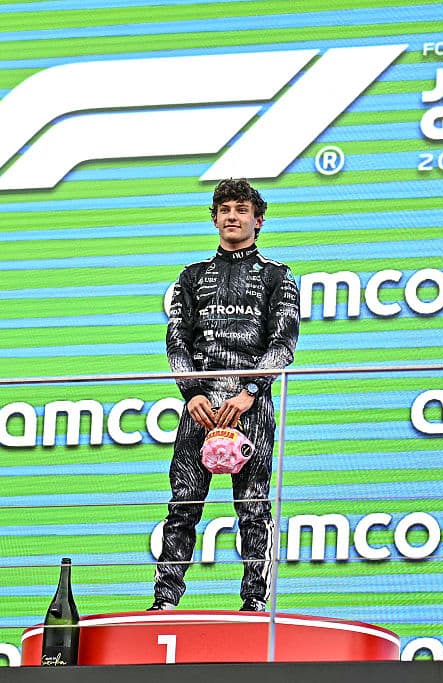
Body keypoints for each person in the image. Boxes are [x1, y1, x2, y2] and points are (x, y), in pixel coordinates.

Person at [151, 178, 300, 612]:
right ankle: (164, 602)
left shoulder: (278, 276)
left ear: (258, 219)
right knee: (183, 506)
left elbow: (283, 345)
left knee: (253, 509)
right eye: (224, 209)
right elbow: (177, 341)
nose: (232, 216)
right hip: (198, 410)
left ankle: (255, 602)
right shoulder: (191, 277)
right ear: (214, 218)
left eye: (241, 209)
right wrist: (191, 392)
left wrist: (251, 390)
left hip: (250, 408)